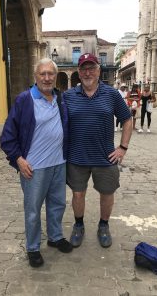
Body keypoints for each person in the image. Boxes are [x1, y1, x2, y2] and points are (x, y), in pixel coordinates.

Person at [1, 58, 73, 268]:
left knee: (57, 204)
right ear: (35, 76)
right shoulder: (25, 100)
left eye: (51, 73)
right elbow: (7, 136)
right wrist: (18, 159)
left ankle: (55, 237)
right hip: (34, 168)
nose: (47, 78)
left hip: (59, 164)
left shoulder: (60, 99)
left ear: (56, 76)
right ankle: (33, 248)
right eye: (43, 74)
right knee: (33, 210)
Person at [63, 53, 132, 248]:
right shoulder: (68, 96)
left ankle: (103, 226)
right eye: (84, 68)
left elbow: (127, 119)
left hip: (105, 157)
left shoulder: (111, 94)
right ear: (78, 72)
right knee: (77, 195)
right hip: (76, 158)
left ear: (98, 70)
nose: (88, 72)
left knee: (107, 193)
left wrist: (123, 147)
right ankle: (79, 225)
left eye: (91, 68)